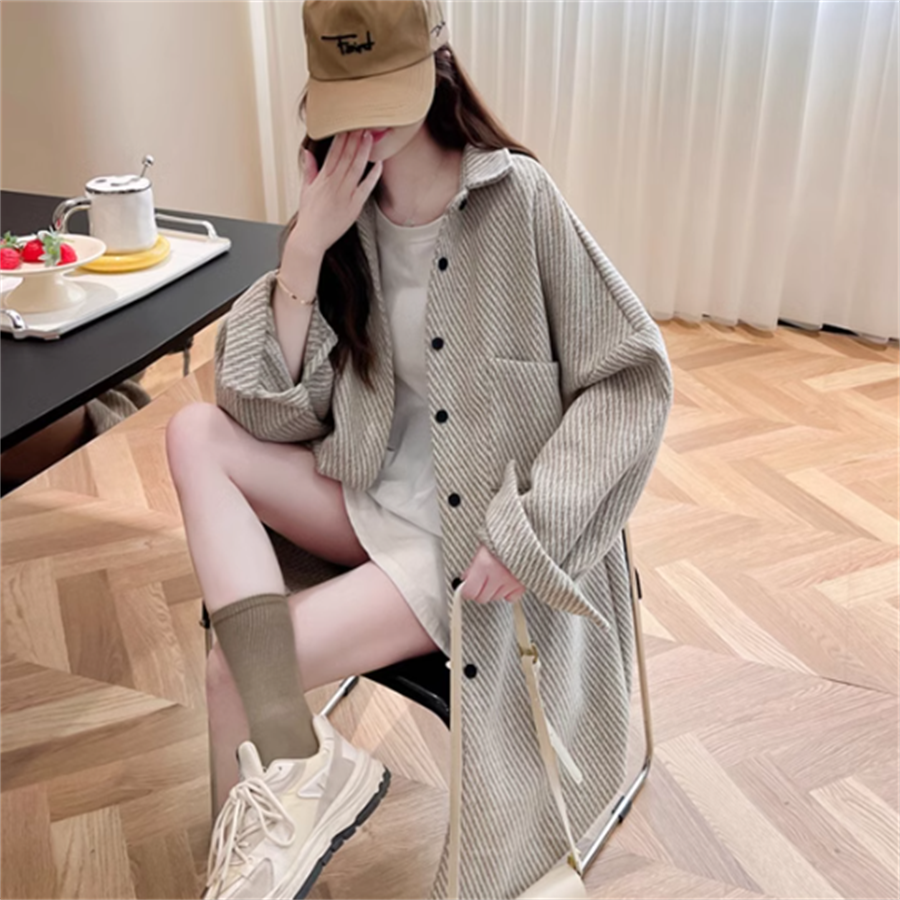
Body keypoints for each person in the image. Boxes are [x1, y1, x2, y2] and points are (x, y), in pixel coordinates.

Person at [164, 1, 674, 898]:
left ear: (437, 66)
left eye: (384, 93)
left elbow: (631, 378)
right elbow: (260, 409)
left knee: (231, 673)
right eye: (347, 98)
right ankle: (295, 787)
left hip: (469, 541)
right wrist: (307, 249)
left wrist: (533, 527)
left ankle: (261, 848)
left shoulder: (519, 201)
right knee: (191, 431)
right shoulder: (342, 217)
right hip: (372, 495)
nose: (366, 122)